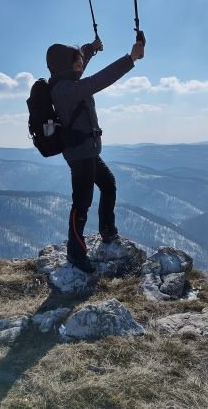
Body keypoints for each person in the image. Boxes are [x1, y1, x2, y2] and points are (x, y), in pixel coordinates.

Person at [46, 38, 145, 273]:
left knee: (108, 184)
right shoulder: (65, 90)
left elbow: (82, 68)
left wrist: (91, 49)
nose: (80, 65)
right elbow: (98, 81)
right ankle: (76, 252)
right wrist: (130, 59)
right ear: (64, 66)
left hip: (87, 151)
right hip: (80, 155)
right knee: (82, 203)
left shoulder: (67, 81)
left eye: (80, 61)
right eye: (77, 63)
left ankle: (107, 231)